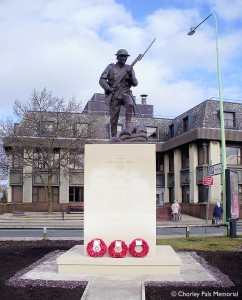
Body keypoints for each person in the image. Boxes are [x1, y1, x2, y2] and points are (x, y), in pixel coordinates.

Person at [99, 49, 138, 138]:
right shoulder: (110, 67)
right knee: (114, 118)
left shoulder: (129, 68)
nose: (123, 58)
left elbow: (135, 83)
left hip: (125, 92)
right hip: (114, 94)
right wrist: (108, 89)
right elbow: (102, 79)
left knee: (130, 104)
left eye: (125, 57)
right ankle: (113, 136)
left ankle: (128, 125)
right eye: (121, 56)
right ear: (117, 57)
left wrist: (131, 76)